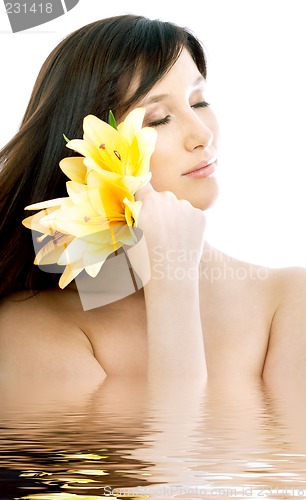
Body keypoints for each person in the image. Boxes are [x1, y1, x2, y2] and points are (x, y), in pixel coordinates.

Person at [0, 14, 305, 388]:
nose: (202, 134)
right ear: (91, 154)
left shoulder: (290, 299)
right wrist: (171, 282)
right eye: (158, 119)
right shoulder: (32, 327)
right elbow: (172, 447)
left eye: (199, 100)